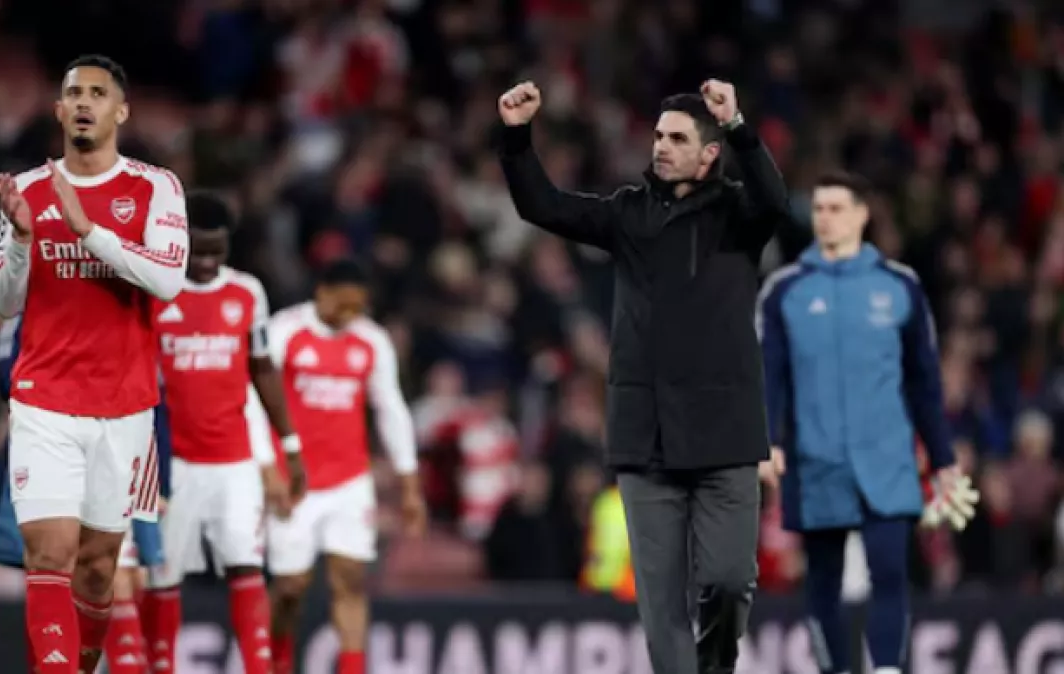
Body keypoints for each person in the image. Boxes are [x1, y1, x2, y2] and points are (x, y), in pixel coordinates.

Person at [496, 80, 787, 673]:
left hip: (726, 433)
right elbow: (542, 205)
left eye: (677, 139)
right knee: (661, 605)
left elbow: (775, 202)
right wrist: (517, 137)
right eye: (658, 136)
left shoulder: (738, 215)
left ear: (708, 154)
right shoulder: (626, 213)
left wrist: (738, 126)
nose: (661, 146)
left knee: (730, 580)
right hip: (645, 433)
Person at [0, 54, 188, 673]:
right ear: (58, 110)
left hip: (124, 407)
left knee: (98, 570)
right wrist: (22, 240)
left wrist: (88, 231)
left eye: (98, 94)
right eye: (74, 93)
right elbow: (2, 301)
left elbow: (168, 279)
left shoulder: (155, 187)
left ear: (120, 111)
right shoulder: (26, 190)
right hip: (44, 399)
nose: (84, 103)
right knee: (50, 554)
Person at [756, 171, 978, 674]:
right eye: (819, 209)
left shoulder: (900, 287)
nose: (825, 218)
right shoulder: (785, 291)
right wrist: (766, 441)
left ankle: (886, 670)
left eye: (836, 208)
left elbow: (924, 383)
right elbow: (770, 377)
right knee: (822, 582)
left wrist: (943, 460)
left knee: (890, 571)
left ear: (861, 214)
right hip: (816, 460)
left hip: (887, 458)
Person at [139, 191, 307, 674]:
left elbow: (263, 368)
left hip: (234, 462)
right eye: (200, 251)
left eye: (218, 250)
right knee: (164, 577)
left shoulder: (247, 293)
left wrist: (289, 443)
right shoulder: (155, 292)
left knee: (246, 565)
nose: (209, 261)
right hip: (173, 465)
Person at [0, 314, 171, 673]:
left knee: (121, 576)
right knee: (52, 568)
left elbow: (153, 397)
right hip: (52, 446)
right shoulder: (30, 314)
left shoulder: (129, 309)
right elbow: (6, 378)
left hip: (116, 447)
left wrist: (160, 479)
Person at [266, 258, 427, 674]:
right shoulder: (285, 330)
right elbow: (256, 395)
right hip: (294, 479)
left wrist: (409, 485)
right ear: (321, 292)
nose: (350, 314)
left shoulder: (371, 340)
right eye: (344, 304)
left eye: (358, 307)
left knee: (351, 579)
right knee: (290, 587)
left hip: (349, 479)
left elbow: (390, 408)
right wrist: (266, 469)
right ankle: (276, 660)